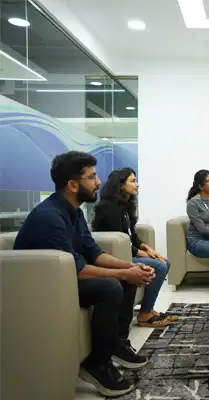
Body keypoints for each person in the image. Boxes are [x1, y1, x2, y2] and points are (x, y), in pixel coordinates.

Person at [13, 151, 155, 397]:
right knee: (111, 286)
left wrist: (129, 267)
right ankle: (97, 364)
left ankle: (115, 344)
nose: (98, 182)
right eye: (92, 177)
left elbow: (94, 253)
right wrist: (124, 273)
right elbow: (76, 269)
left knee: (127, 276)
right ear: (72, 185)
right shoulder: (49, 217)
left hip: (64, 278)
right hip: (40, 287)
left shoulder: (75, 212)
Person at [92, 168, 177, 327]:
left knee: (165, 262)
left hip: (126, 251)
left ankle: (149, 309)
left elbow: (131, 235)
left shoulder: (124, 206)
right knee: (159, 266)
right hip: (116, 256)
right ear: (120, 185)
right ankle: (145, 315)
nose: (137, 185)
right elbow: (120, 241)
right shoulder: (109, 208)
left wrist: (147, 248)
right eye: (132, 181)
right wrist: (142, 254)